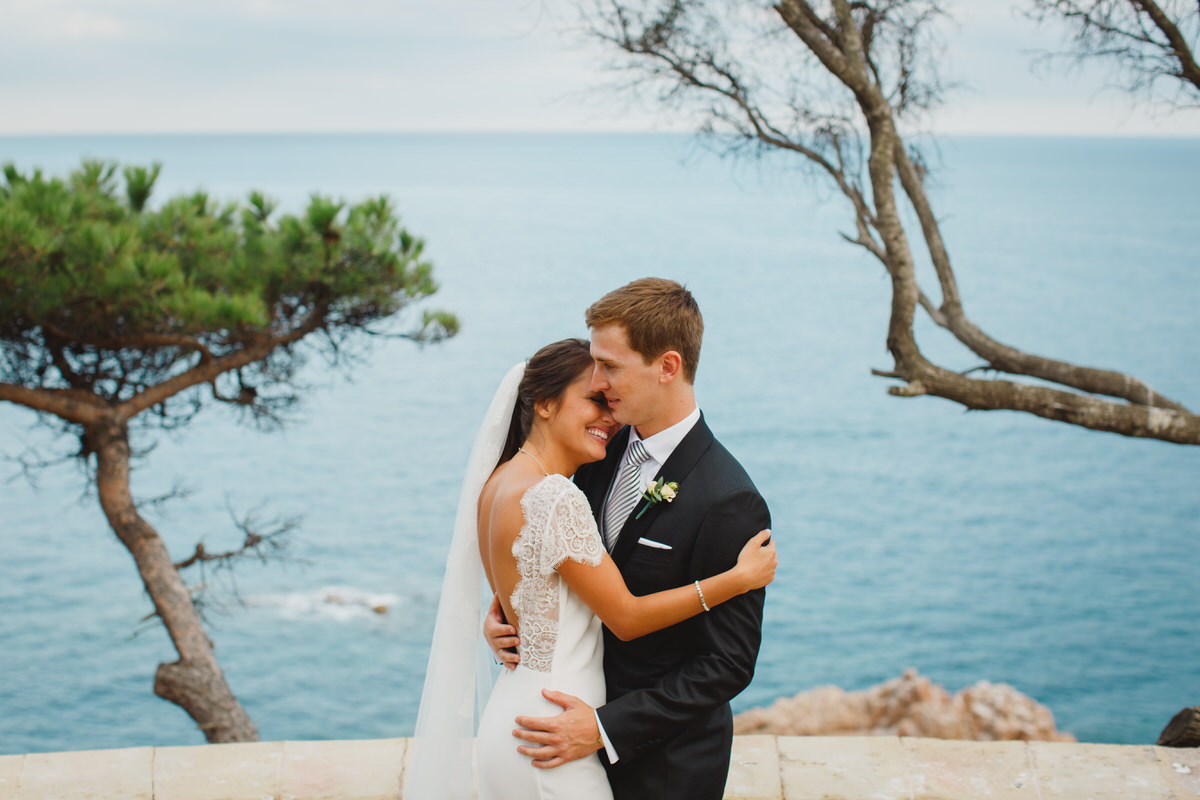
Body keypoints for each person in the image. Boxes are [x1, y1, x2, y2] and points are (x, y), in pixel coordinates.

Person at [407, 337, 776, 800]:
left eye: (611, 384)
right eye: (594, 398)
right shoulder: (561, 490)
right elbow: (623, 615)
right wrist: (735, 580)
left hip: (534, 719)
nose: (609, 413)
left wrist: (516, 613)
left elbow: (729, 662)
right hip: (552, 729)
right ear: (543, 403)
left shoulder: (503, 480)